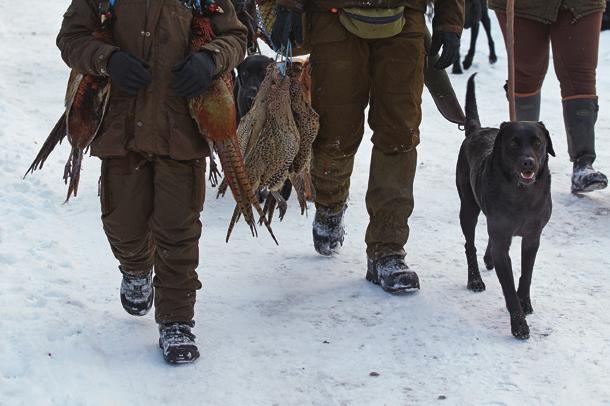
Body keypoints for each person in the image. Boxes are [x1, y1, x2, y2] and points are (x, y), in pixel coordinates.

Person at [57, 0, 246, 364]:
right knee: (122, 225)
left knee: (178, 230)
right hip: (120, 129)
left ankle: (176, 322)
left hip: (182, 129)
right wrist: (108, 59)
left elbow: (236, 36)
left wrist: (210, 58)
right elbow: (70, 38)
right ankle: (136, 267)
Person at [272, 0, 464, 292]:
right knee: (335, 133)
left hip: (404, 18)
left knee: (399, 134)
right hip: (333, 15)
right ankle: (330, 206)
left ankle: (387, 250)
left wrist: (449, 21)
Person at [489, 0, 608, 193]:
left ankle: (583, 165)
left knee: (580, 76)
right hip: (523, 5)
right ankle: (524, 163)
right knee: (526, 76)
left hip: (580, 4)